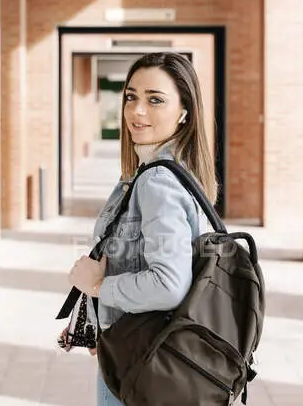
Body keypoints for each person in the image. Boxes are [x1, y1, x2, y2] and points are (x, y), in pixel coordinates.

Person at [66, 52, 217, 406]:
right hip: (142, 351)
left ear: (184, 112)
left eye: (155, 100)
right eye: (131, 97)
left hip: (141, 364)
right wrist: (99, 322)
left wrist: (99, 287)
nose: (137, 111)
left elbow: (168, 284)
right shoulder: (169, 173)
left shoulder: (159, 182)